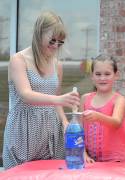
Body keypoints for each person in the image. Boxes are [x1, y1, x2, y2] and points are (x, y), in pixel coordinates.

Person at [2, 11, 80, 169]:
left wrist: (65, 122)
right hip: (23, 132)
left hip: (51, 133)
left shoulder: (57, 64)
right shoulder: (18, 60)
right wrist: (58, 99)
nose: (55, 46)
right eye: (52, 41)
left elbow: (56, 99)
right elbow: (25, 95)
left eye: (60, 42)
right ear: (39, 34)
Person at [80, 54, 125, 163]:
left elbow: (116, 122)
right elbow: (79, 131)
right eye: (98, 74)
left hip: (115, 160)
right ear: (92, 76)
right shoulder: (85, 99)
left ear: (116, 75)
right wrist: (83, 153)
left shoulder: (119, 100)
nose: (102, 78)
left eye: (107, 74)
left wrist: (98, 117)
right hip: (90, 160)